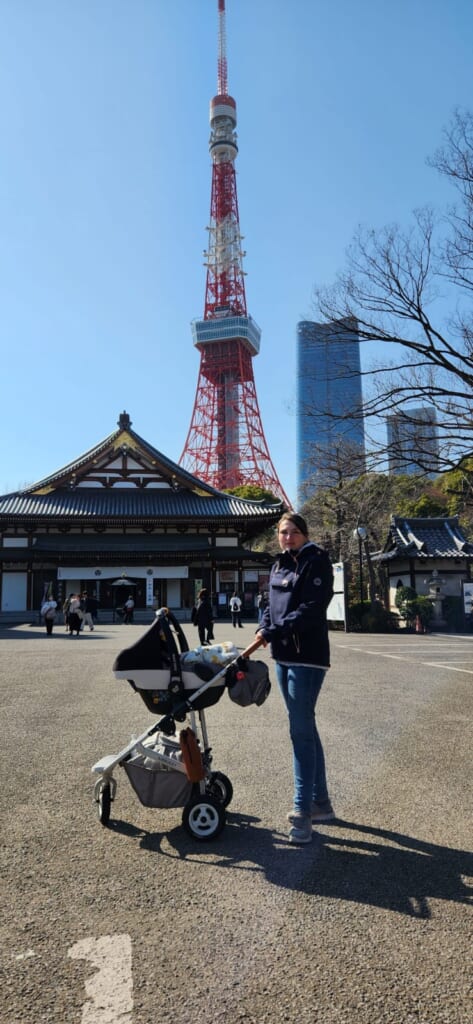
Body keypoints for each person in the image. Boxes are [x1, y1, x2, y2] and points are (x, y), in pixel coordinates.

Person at [256, 512, 335, 845]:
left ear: (304, 533)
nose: (287, 537)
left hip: (307, 658)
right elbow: (267, 602)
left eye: (293, 532)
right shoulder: (279, 564)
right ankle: (321, 803)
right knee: (305, 725)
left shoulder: (317, 562)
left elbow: (311, 609)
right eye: (282, 532)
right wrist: (263, 626)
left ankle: (302, 812)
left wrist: (275, 630)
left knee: (299, 730)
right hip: (282, 656)